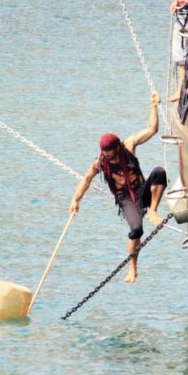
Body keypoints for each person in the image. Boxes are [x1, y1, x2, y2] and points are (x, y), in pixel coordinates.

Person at [69, 93, 167, 283]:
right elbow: (86, 180)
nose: (109, 157)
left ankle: (153, 210)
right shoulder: (100, 163)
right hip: (126, 199)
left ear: (117, 148)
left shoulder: (128, 145)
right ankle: (133, 269)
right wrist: (75, 200)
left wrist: (153, 106)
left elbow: (152, 129)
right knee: (136, 229)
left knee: (159, 172)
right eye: (105, 154)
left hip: (142, 191)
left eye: (111, 153)